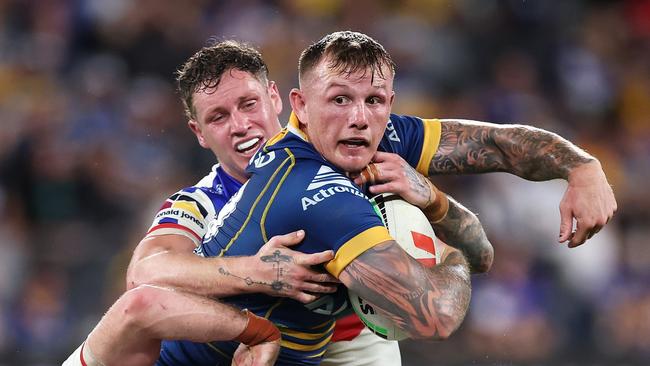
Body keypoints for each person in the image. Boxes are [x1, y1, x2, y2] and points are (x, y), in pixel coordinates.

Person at [64, 31, 617, 365]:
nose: (241, 125)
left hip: (352, 332)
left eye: (250, 105)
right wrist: (255, 271)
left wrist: (581, 166)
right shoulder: (211, 198)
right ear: (198, 133)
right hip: (288, 340)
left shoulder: (361, 133)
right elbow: (147, 275)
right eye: (218, 116)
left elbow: (495, 147)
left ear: (283, 101)